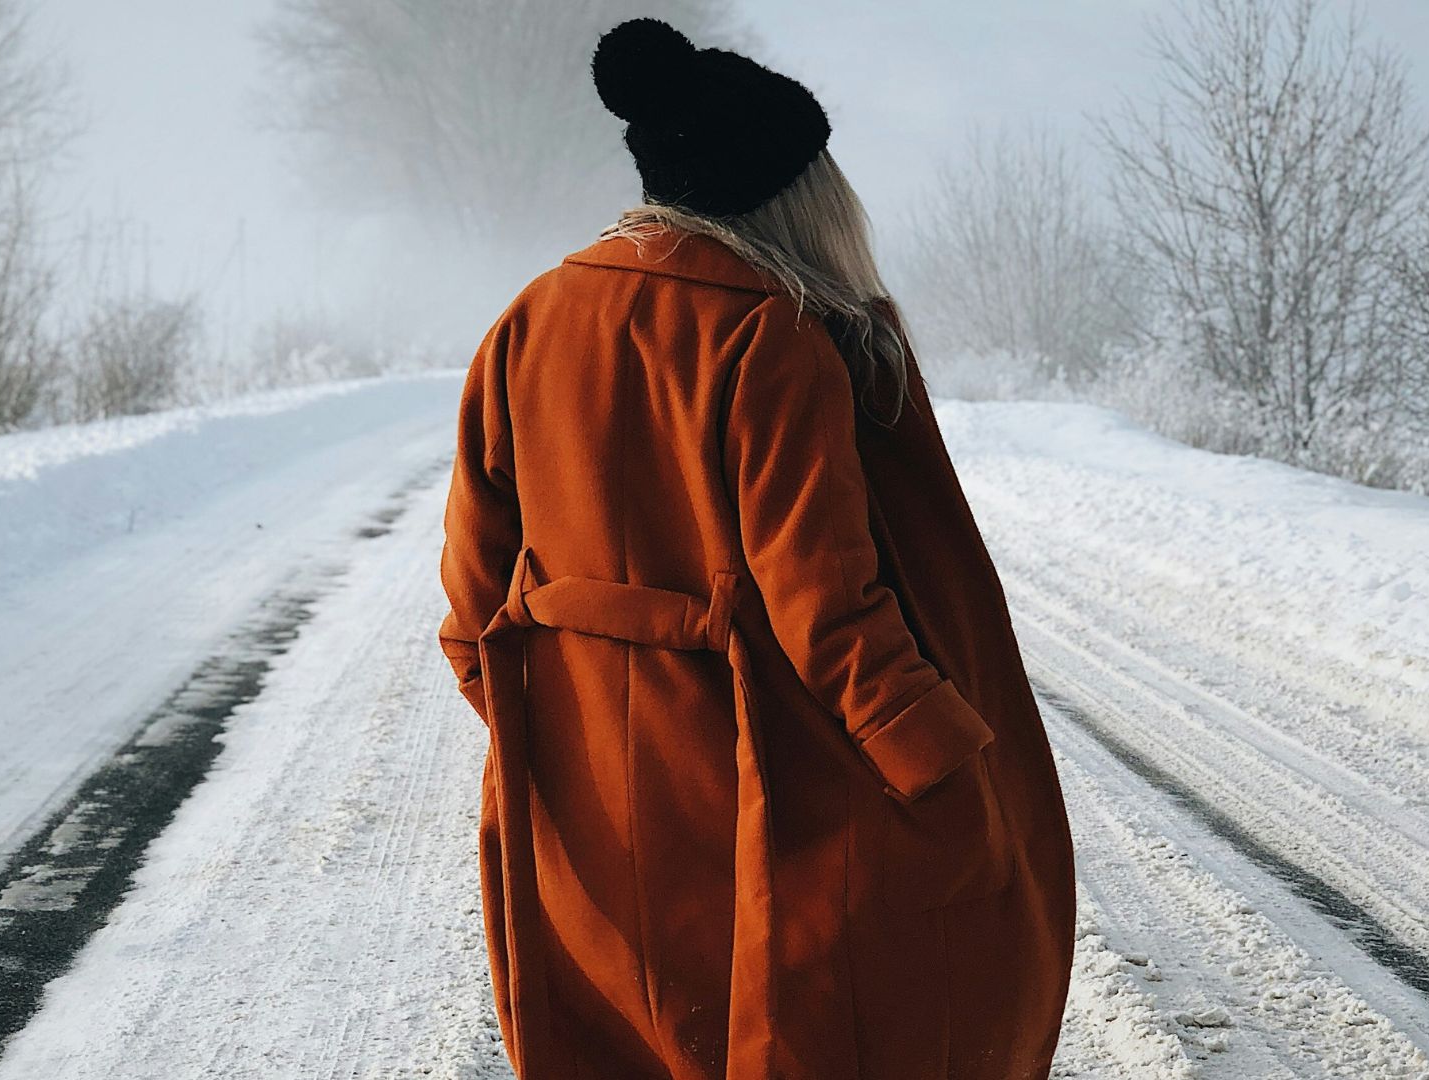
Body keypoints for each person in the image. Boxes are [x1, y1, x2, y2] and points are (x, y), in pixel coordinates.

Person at [437, 17, 1075, 1080]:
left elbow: (472, 599)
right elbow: (824, 603)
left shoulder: (529, 320)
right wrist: (943, 763)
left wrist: (555, 717)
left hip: (588, 785)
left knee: (627, 1039)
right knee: (827, 1015)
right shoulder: (771, 334)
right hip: (740, 777)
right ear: (789, 190)